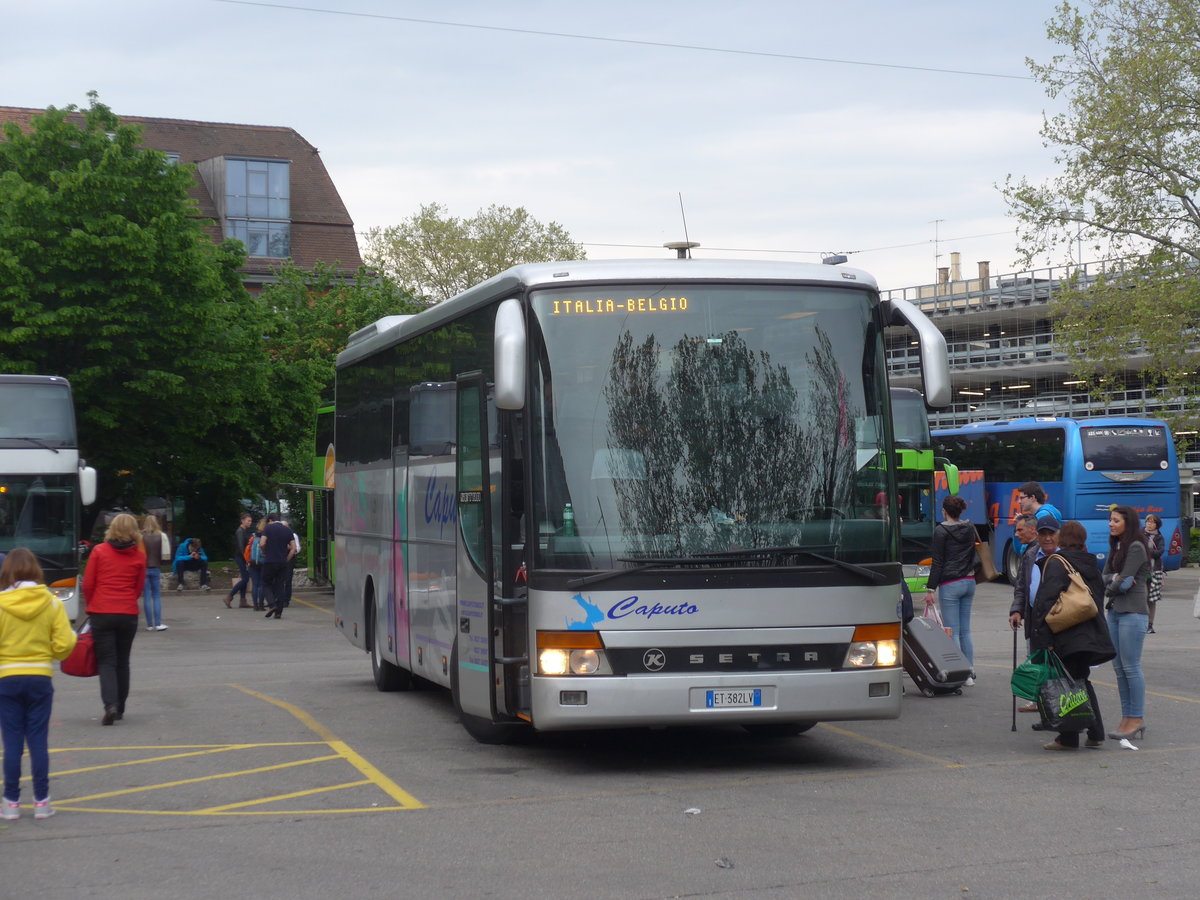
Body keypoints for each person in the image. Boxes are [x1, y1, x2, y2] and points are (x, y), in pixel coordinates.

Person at [0, 548, 77, 820]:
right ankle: (42, 801)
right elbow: (64, 644)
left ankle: (11, 802)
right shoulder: (52, 603)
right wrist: (51, 651)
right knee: (38, 741)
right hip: (40, 677)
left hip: (7, 678)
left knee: (12, 742)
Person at [1030, 520, 1115, 751]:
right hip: (1089, 635)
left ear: (1061, 538)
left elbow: (1045, 601)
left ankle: (1068, 738)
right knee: (1081, 681)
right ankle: (1095, 733)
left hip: (1066, 634)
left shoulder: (1058, 563)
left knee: (1067, 684)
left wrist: (1042, 638)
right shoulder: (1091, 564)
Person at [83, 513, 146, 726]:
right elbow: (138, 588)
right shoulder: (139, 556)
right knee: (122, 661)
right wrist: (127, 600)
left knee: (106, 662)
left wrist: (92, 605)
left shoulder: (99, 551)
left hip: (102, 611)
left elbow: (88, 584)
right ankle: (120, 707)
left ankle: (110, 705)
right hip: (127, 613)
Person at [1103, 505, 1150, 741]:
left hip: (1133, 612)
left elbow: (1121, 584)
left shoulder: (1136, 546)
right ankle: (1126, 718)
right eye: (1110, 520)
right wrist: (1116, 580)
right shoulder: (1117, 546)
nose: (1110, 524)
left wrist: (1115, 583)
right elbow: (1106, 578)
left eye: (1115, 521)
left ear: (1127, 523)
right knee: (1119, 669)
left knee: (1131, 667)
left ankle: (1136, 718)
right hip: (1115, 611)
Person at [924, 494, 977, 684]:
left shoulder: (941, 531)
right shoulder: (969, 527)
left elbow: (938, 562)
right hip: (969, 580)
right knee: (965, 631)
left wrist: (931, 588)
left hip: (950, 583)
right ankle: (970, 673)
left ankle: (959, 673)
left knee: (952, 631)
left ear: (944, 511)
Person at [1007, 513, 1040, 712]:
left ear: (1032, 530)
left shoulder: (1036, 552)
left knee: (1036, 657)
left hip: (1040, 617)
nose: (1017, 534)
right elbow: (1021, 585)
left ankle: (1040, 699)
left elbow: (1023, 585)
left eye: (1020, 530)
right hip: (1032, 615)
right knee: (1033, 656)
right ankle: (1037, 699)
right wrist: (1017, 610)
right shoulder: (1029, 551)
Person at [259, 515, 298, 619]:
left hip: (270, 561)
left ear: (270, 520)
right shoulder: (288, 530)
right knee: (280, 586)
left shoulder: (268, 528)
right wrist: (287, 559)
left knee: (266, 583)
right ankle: (278, 613)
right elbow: (293, 548)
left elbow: (262, 543)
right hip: (282, 562)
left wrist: (264, 552)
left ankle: (272, 605)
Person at [140, 515, 169, 631]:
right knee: (156, 596)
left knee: (146, 596)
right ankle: (158, 623)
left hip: (144, 568)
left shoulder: (141, 536)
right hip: (156, 567)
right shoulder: (161, 536)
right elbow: (165, 555)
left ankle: (149, 625)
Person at [225, 512, 254, 609]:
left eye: (250, 521)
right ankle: (230, 596)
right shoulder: (240, 531)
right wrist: (247, 559)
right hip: (241, 557)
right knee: (245, 578)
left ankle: (243, 600)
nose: (250, 522)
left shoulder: (244, 531)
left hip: (242, 557)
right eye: (248, 521)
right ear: (242, 521)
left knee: (245, 578)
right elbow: (241, 547)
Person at [1143, 513, 1165, 634]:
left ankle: (1150, 624)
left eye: (1152, 522)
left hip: (1154, 571)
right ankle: (1142, 623)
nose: (1149, 524)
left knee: (1152, 599)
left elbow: (1159, 552)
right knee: (1142, 597)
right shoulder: (1140, 535)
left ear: (1157, 525)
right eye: (1148, 521)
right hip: (1141, 571)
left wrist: (1147, 551)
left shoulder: (1159, 537)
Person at [248, 517, 267, 611]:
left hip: (252, 562)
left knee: (255, 584)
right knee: (261, 584)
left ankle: (255, 605)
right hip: (262, 562)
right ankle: (261, 604)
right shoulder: (265, 537)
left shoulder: (253, 536)